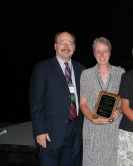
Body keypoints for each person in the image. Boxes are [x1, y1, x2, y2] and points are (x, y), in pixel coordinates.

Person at [29, 31, 85, 166]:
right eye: (62, 43)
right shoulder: (43, 68)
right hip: (51, 133)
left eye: (70, 43)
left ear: (74, 47)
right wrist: (39, 131)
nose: (66, 46)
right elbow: (36, 102)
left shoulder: (81, 70)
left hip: (75, 133)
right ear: (55, 46)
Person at [79, 37, 125, 166]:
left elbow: (124, 101)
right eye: (98, 51)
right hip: (93, 128)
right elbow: (83, 104)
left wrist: (120, 110)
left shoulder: (120, 73)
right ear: (94, 53)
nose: (102, 55)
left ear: (110, 52)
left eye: (105, 51)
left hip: (113, 128)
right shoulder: (86, 74)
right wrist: (94, 119)